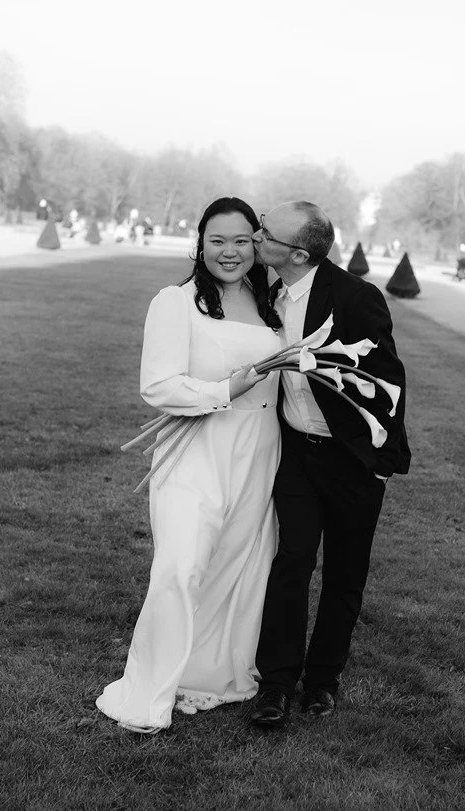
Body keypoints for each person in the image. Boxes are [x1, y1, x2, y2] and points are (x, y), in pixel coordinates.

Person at [97, 197, 284, 734]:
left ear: (257, 244)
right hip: (194, 446)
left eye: (242, 240)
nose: (230, 252)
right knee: (181, 566)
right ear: (200, 244)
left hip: (259, 447)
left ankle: (208, 673)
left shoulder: (270, 301)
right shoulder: (176, 302)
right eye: (218, 240)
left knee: (237, 565)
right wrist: (226, 389)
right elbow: (157, 385)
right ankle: (148, 690)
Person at [248, 200, 411, 727]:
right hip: (295, 454)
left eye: (264, 232)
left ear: (297, 253)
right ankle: (275, 684)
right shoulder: (261, 288)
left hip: (352, 464)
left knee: (345, 574)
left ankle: (322, 682)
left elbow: (386, 381)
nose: (255, 235)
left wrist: (379, 465)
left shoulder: (356, 297)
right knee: (291, 561)